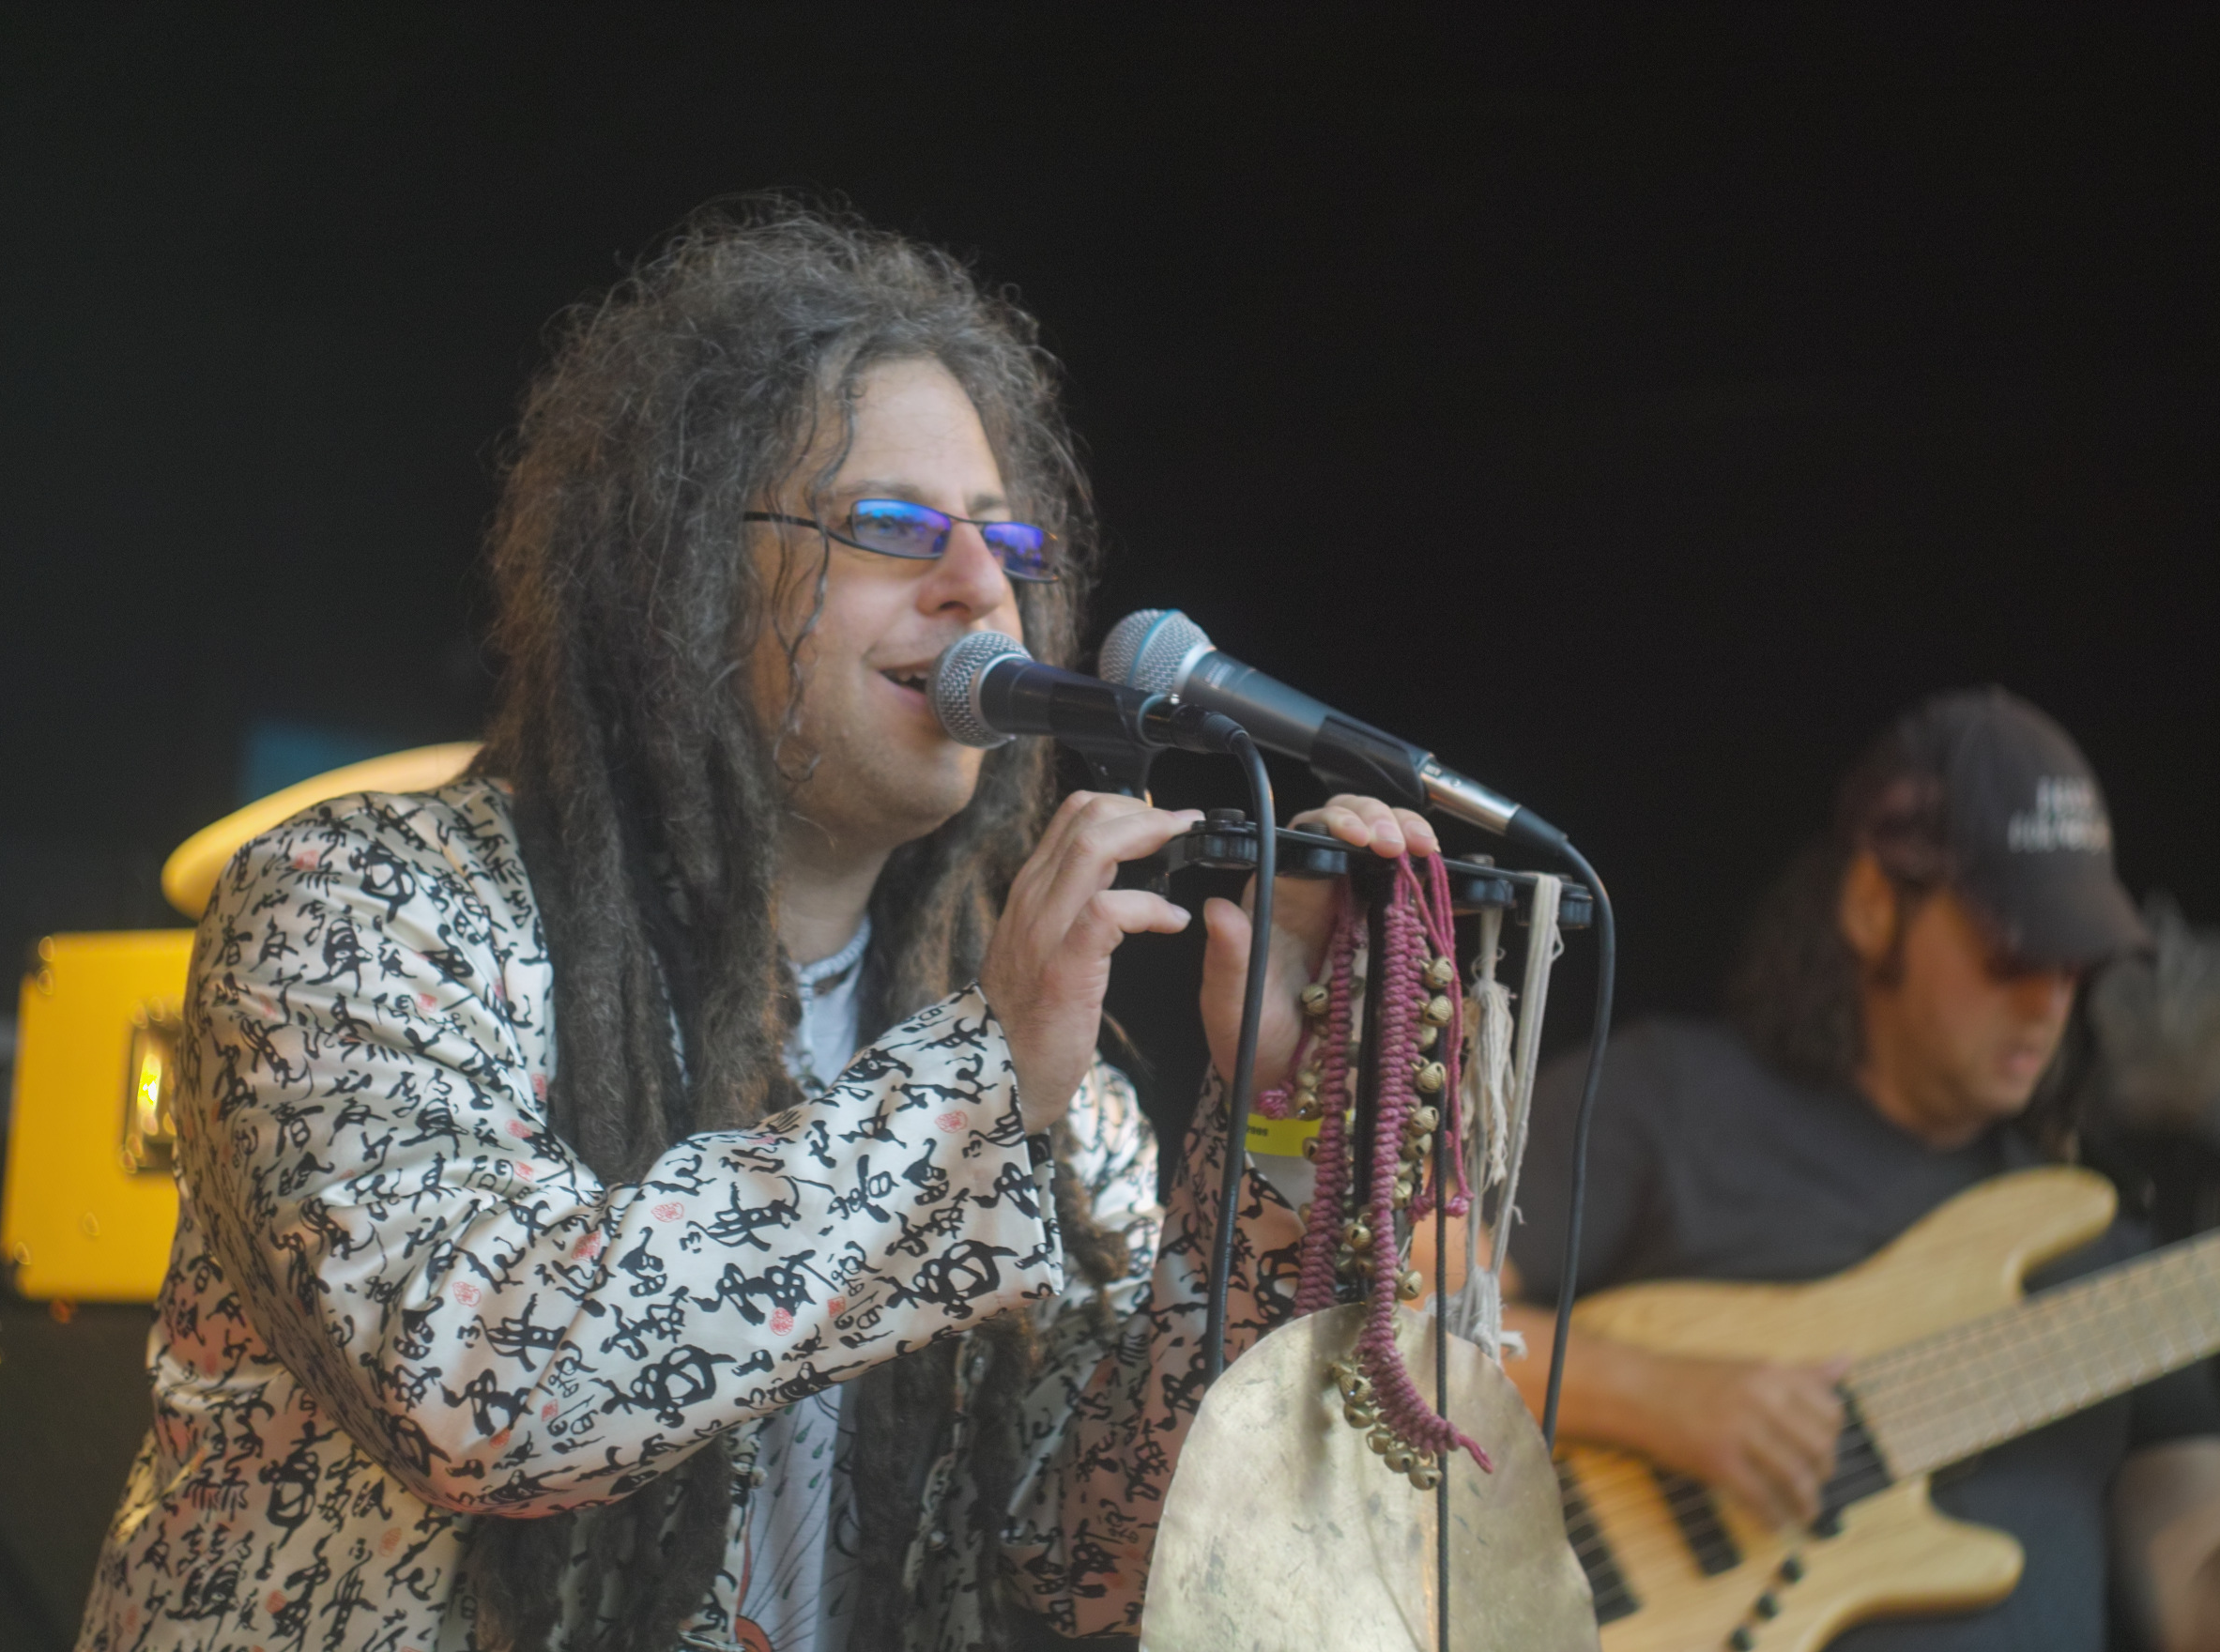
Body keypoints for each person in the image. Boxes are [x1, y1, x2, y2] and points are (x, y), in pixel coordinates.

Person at [75, 202, 1440, 1652]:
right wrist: (978, 1090)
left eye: (1006, 539)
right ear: (678, 573)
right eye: (891, 527)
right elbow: (481, 1392)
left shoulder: (1051, 1087)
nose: (983, 586)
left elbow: (1091, 1559)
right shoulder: (359, 909)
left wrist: (1284, 1135)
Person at [1496, 688, 2220, 1652]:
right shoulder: (1668, 1097)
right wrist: (1660, 1393)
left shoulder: (2107, 1253)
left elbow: (2210, 1599)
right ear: (1871, 904)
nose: (2048, 999)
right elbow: (1408, 1317)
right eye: (2013, 946)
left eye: (2075, 961)